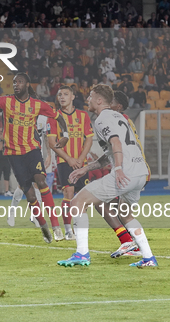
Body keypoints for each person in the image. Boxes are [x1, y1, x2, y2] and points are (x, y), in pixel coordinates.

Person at [57, 85, 156, 268]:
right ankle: (148, 257)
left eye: (90, 96)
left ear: (99, 100)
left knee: (78, 202)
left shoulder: (102, 118)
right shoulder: (121, 117)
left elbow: (116, 142)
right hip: (140, 172)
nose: (87, 100)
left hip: (125, 172)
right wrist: (85, 169)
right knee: (126, 215)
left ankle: (81, 254)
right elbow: (110, 153)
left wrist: (118, 168)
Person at [0, 73, 70, 243]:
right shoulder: (5, 101)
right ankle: (43, 226)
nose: (16, 84)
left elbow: (59, 117)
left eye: (19, 82)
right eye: (14, 82)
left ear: (27, 85)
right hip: (13, 154)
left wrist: (66, 135)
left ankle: (56, 227)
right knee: (31, 196)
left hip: (32, 150)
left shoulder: (37, 105)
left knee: (41, 181)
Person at [47, 86, 94, 241]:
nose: (62, 97)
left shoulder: (83, 115)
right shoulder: (54, 117)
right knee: (69, 193)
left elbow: (89, 138)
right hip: (64, 160)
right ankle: (68, 231)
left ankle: (78, 226)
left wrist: (80, 158)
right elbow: (52, 143)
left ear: (73, 97)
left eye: (66, 94)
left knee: (84, 196)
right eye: (59, 94)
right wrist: (69, 159)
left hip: (81, 161)